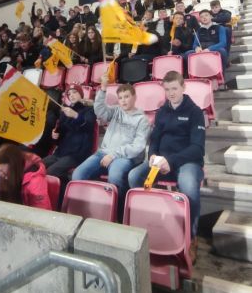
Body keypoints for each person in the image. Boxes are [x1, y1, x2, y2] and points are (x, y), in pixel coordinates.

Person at [128, 71, 205, 263]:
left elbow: (197, 148)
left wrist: (171, 161)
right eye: (167, 89)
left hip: (187, 161)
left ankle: (192, 237)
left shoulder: (195, 112)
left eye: (174, 89)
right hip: (160, 160)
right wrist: (152, 154)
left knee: (188, 186)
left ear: (183, 87)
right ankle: (149, 222)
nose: (171, 93)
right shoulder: (162, 110)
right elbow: (155, 139)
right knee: (134, 177)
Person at [72, 75, 150, 213]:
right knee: (78, 174)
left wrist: (114, 155)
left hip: (125, 157)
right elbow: (99, 110)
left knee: (115, 175)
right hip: (103, 153)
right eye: (120, 98)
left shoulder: (142, 119)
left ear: (134, 97)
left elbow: (137, 147)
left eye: (126, 96)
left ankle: (118, 213)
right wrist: (102, 89)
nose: (123, 101)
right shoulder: (116, 111)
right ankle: (82, 210)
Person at [43, 84, 96, 181]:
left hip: (76, 155)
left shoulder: (89, 110)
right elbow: (59, 138)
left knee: (49, 172)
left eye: (75, 92)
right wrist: (55, 136)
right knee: (36, 166)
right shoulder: (65, 112)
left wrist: (76, 115)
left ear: (81, 94)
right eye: (69, 94)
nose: (72, 95)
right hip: (59, 153)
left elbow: (88, 126)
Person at [0, 144, 51, 210]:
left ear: (12, 166)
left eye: (1, 170)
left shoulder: (36, 181)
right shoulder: (7, 175)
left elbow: (42, 211)